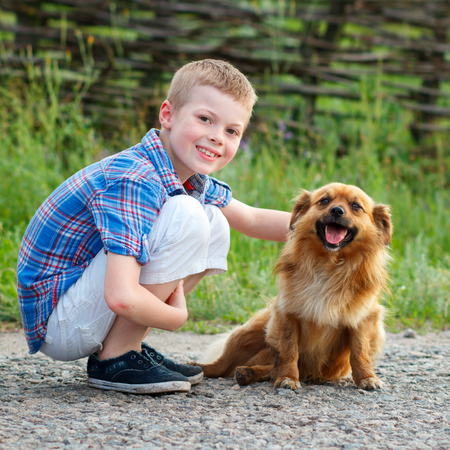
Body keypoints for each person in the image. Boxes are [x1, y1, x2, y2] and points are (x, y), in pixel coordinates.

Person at [17, 59, 291, 395]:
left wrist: (351, 228)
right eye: (205, 119)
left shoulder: (187, 177)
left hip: (83, 306)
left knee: (213, 219)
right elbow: (120, 295)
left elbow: (251, 219)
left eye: (231, 131)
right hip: (60, 321)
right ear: (168, 115)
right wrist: (175, 318)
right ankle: (116, 357)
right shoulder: (136, 178)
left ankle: (124, 346)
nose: (217, 137)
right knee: (189, 214)